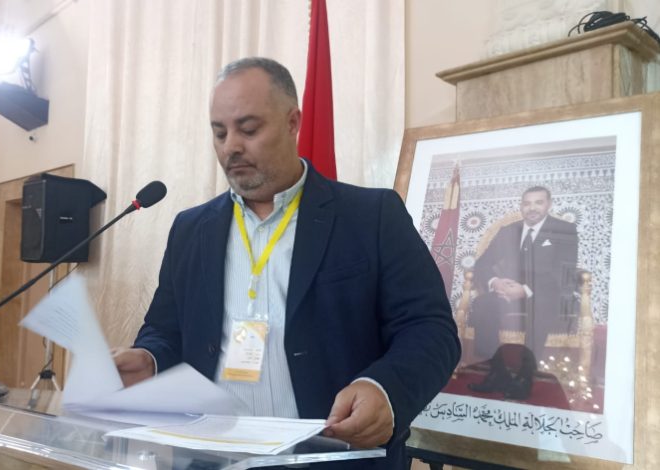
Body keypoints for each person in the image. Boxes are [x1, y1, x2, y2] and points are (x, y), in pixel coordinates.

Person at [112, 57, 460, 469]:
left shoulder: (371, 217)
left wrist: (384, 388)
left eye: (248, 129)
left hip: (335, 458)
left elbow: (430, 329)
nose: (231, 146)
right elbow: (165, 329)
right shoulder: (191, 230)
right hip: (213, 458)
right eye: (219, 132)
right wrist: (150, 358)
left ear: (292, 122)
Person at [468, 186, 578, 398]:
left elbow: (563, 272)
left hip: (545, 294)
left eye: (538, 202)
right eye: (527, 203)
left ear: (548, 205)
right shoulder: (508, 230)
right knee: (483, 304)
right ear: (521, 206)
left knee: (541, 306)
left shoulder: (564, 229)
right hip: (509, 292)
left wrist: (526, 290)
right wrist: (495, 282)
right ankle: (497, 372)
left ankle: (525, 376)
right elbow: (482, 264)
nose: (532, 208)